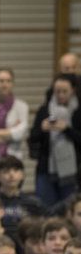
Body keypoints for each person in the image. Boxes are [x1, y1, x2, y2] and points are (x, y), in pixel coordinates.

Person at [29, 74, 81, 205]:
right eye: (57, 91)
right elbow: (32, 139)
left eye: (65, 91)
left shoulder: (78, 112)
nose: (61, 95)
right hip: (46, 168)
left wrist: (67, 129)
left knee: (70, 210)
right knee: (45, 210)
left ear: (73, 90)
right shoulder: (44, 110)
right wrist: (42, 129)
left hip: (73, 171)